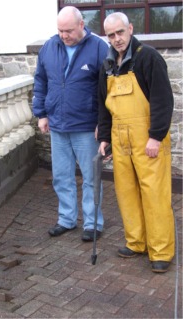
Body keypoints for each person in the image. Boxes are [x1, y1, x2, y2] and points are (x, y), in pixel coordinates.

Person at [97, 12, 175, 273]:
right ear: (106, 37)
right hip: (120, 140)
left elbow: (163, 100)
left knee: (154, 194)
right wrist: (105, 138)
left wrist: (156, 136)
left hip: (148, 139)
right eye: (111, 35)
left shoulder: (148, 57)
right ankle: (136, 242)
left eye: (120, 32)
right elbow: (103, 106)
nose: (117, 39)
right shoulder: (107, 64)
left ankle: (161, 251)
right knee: (126, 192)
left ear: (130, 29)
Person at [33, 6, 109, 241]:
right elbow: (41, 81)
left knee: (90, 177)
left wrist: (102, 122)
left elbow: (108, 89)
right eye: (60, 30)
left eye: (68, 30)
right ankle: (66, 219)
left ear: (81, 25)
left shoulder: (98, 47)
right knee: (62, 176)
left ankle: (92, 223)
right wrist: (42, 114)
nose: (63, 35)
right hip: (57, 124)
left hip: (86, 126)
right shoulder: (49, 47)